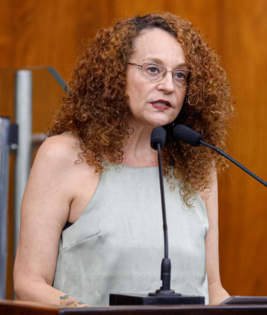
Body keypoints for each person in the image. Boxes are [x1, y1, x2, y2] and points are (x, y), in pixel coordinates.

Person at [13, 13, 234, 306]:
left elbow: (213, 289)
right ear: (116, 75)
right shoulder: (63, 156)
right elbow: (29, 283)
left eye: (180, 74)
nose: (169, 85)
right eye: (153, 69)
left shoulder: (197, 162)